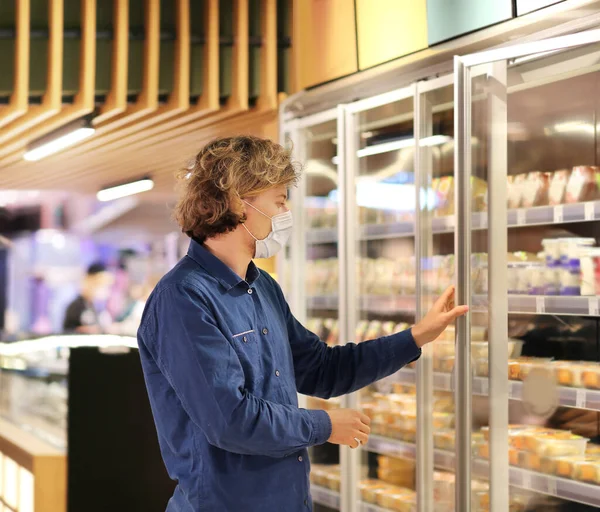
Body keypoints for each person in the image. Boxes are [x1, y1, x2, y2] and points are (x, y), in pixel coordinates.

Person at [137, 136, 468, 512]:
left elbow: (321, 369)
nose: (285, 210)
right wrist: (325, 426)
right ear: (236, 201)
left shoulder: (262, 287)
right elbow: (229, 420)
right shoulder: (182, 299)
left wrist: (416, 337)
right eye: (278, 199)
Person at [63, 262, 113, 334]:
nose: (104, 289)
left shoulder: (95, 307)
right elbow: (68, 331)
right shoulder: (76, 307)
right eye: (101, 284)